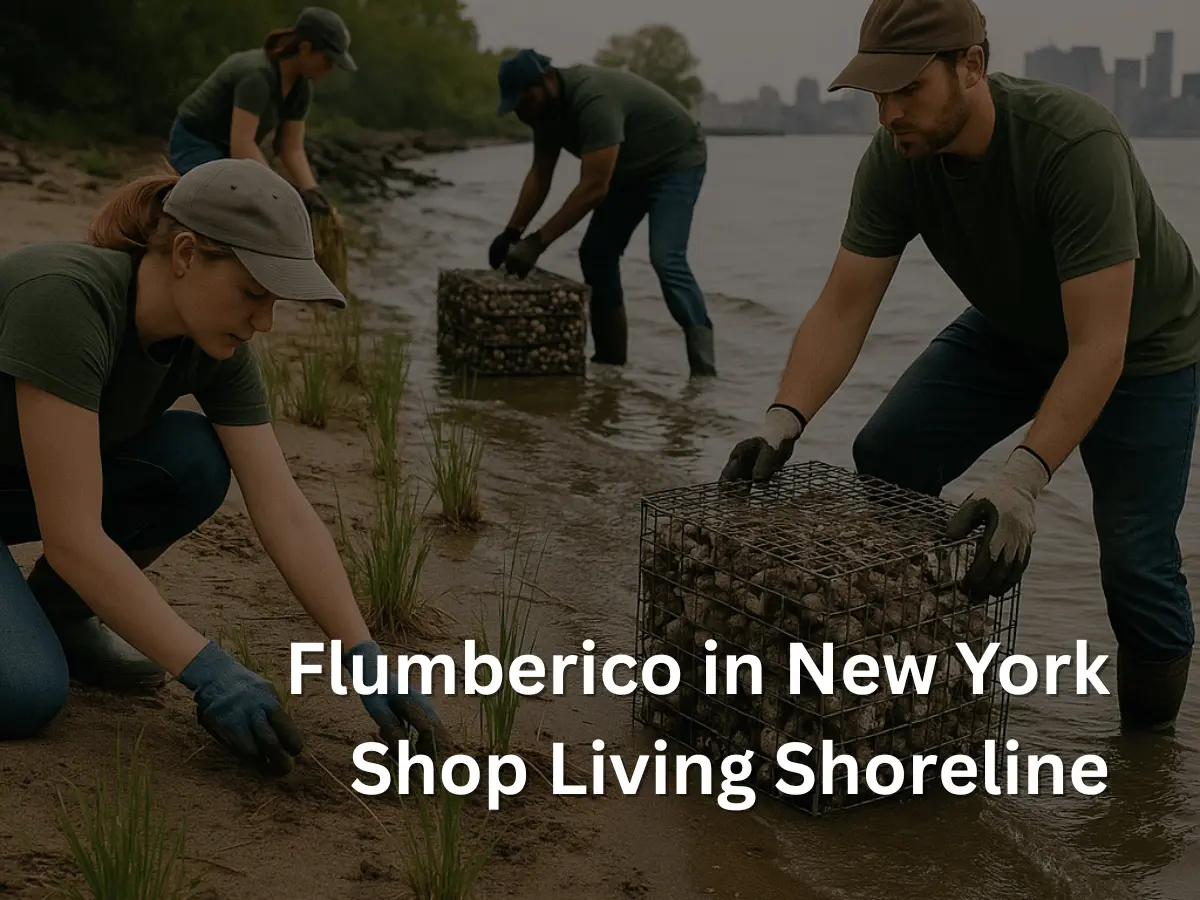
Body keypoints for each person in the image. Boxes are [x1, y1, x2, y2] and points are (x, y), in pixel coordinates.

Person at [720, 0, 1199, 733]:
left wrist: (1021, 482)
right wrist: (782, 421)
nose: (889, 115)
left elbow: (1100, 345)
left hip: (1143, 347)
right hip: (1012, 327)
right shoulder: (897, 159)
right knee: (887, 453)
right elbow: (844, 306)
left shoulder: (1074, 143)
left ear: (971, 67)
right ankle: (910, 662)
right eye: (878, 95)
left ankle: (1148, 761)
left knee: (1134, 557)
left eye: (908, 89)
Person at [0, 158, 450, 773]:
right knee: (25, 693)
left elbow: (282, 507)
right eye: (252, 294)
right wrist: (207, 669)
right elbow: (72, 537)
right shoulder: (66, 298)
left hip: (16, 481)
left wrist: (360, 649)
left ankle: (61, 615)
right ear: (185, 253)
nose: (263, 322)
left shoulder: (210, 341)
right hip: (34, 495)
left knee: (193, 457)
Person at [489, 49, 717, 378]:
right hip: (628, 171)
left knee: (666, 258)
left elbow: (594, 188)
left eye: (524, 102)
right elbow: (540, 173)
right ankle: (611, 366)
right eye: (515, 108)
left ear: (547, 81)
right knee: (596, 254)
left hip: (676, 161)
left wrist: (538, 242)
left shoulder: (593, 100)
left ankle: (704, 372)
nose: (521, 114)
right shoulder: (543, 114)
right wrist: (511, 232)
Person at [167, 7, 357, 218]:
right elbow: (242, 144)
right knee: (224, 209)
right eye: (328, 60)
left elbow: (291, 148)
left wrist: (313, 192)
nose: (330, 68)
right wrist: (281, 194)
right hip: (196, 140)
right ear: (305, 48)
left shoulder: (301, 89)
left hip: (229, 150)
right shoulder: (257, 75)